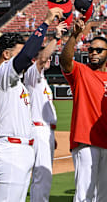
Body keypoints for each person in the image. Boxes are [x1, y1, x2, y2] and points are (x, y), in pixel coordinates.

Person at [0, 8, 62, 201]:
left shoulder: (16, 81)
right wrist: (45, 22)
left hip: (23, 149)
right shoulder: (1, 75)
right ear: (6, 54)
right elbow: (28, 55)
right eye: (18, 54)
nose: (27, 58)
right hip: (9, 150)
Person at [60, 17, 107, 202]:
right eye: (90, 50)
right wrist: (74, 36)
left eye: (98, 50)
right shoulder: (80, 71)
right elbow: (65, 61)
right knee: (84, 195)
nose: (93, 53)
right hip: (86, 141)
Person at [24, 22, 66, 202]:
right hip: (38, 129)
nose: (49, 59)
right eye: (46, 57)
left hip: (45, 130)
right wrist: (55, 38)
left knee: (42, 176)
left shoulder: (41, 80)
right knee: (42, 175)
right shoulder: (32, 75)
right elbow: (42, 60)